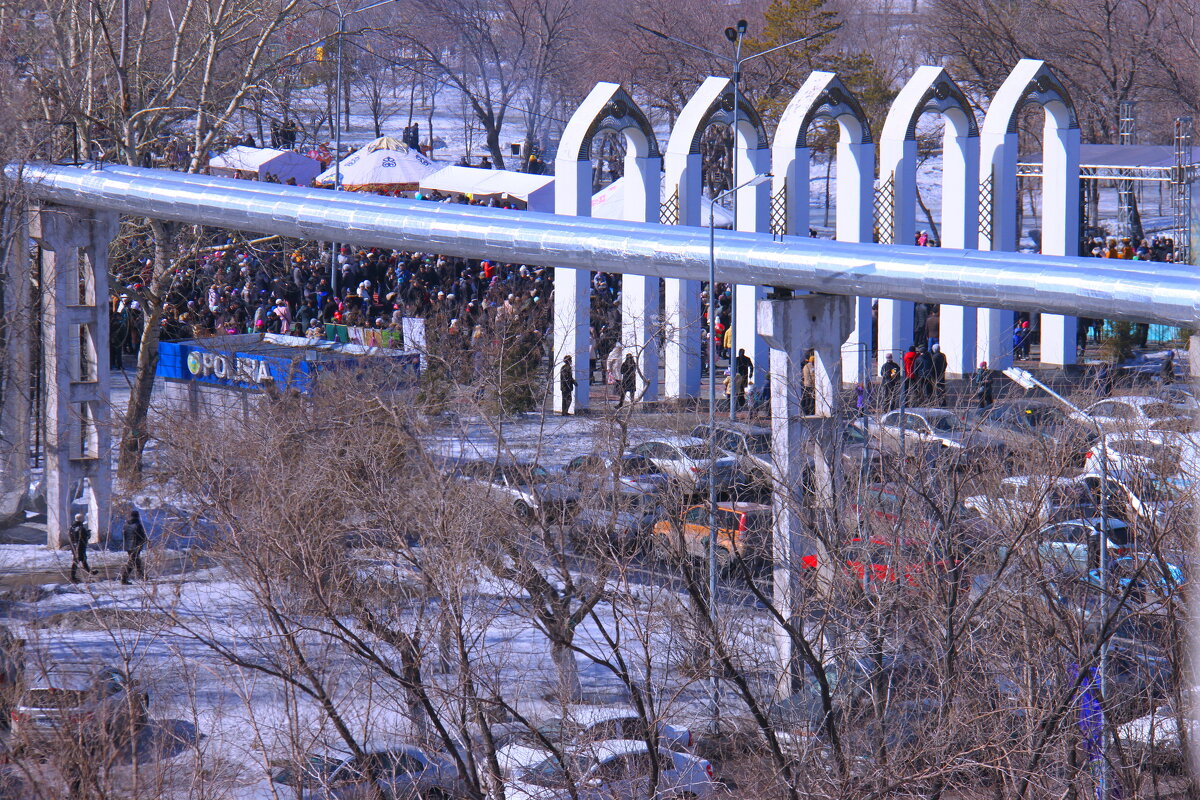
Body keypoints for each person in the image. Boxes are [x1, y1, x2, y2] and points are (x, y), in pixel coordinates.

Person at [120, 509, 147, 584]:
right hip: (136, 545)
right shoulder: (138, 525)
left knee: (136, 560)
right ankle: (124, 578)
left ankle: (142, 576)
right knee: (132, 562)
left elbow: (124, 535)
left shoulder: (126, 525)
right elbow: (142, 536)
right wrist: (145, 541)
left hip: (128, 546)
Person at [68, 513, 96, 582]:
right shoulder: (81, 528)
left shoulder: (72, 527)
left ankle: (90, 572)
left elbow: (71, 537)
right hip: (80, 546)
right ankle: (73, 577)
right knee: (78, 561)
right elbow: (84, 538)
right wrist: (88, 534)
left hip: (74, 546)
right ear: (81, 519)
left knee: (81, 560)